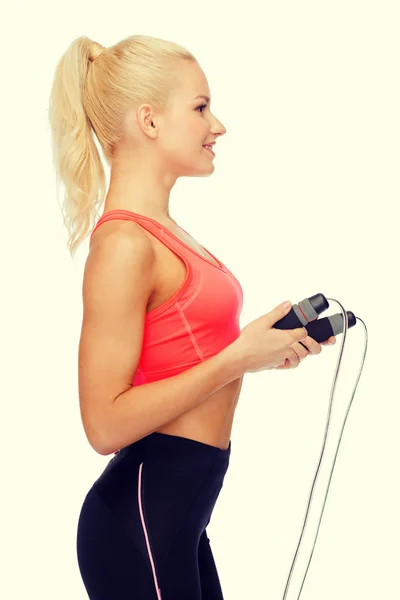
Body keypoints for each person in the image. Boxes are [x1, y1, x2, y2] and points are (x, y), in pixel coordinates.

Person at [47, 34, 336, 600]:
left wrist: (260, 352)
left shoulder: (165, 235)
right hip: (140, 522)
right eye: (201, 108)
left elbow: (183, 356)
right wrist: (236, 359)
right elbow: (102, 426)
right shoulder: (125, 244)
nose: (218, 126)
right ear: (149, 121)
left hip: (177, 523)